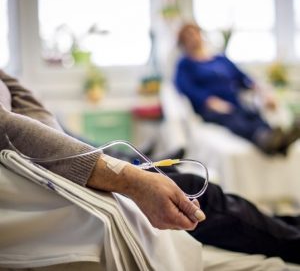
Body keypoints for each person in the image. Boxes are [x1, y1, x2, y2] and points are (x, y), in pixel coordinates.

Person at [1, 69, 300, 265]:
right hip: (43, 179)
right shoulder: (186, 66)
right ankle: (292, 241)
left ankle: (289, 225)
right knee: (194, 190)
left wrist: (56, 137)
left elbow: (21, 97)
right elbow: (8, 127)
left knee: (196, 182)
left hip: (49, 160)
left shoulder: (221, 61)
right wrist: (130, 180)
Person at [174, 23, 300, 155]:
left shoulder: (220, 59)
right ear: (183, 43)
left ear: (200, 34)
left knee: (253, 114)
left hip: (234, 103)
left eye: (195, 33)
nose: (193, 38)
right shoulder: (185, 64)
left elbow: (244, 78)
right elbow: (186, 88)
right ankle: (264, 139)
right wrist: (209, 101)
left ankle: (279, 139)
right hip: (211, 109)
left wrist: (263, 92)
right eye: (188, 36)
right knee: (234, 118)